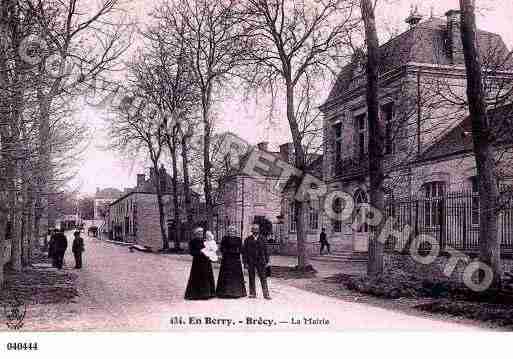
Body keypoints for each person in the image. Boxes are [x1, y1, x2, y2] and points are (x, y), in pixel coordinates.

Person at [184, 227, 216, 300]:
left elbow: (211, 249)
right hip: (197, 262)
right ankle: (196, 294)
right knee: (197, 277)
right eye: (198, 233)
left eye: (201, 233)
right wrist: (200, 252)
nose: (200, 234)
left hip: (206, 262)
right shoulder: (192, 242)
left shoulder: (206, 241)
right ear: (195, 234)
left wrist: (210, 253)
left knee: (206, 277)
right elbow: (191, 252)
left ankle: (207, 294)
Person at [216, 226, 247, 299]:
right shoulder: (225, 238)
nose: (232, 232)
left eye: (233, 230)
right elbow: (221, 248)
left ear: (235, 232)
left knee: (235, 276)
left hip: (235, 260)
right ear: (228, 231)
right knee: (226, 276)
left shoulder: (238, 239)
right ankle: (225, 293)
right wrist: (227, 251)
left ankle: (236, 293)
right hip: (226, 260)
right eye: (230, 230)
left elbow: (241, 249)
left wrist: (237, 251)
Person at [242, 224, 271, 300]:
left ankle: (266, 294)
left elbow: (266, 251)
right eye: (253, 229)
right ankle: (252, 293)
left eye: (256, 229)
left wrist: (267, 261)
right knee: (251, 277)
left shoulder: (263, 239)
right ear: (251, 230)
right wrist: (245, 262)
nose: (255, 230)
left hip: (261, 261)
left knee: (263, 277)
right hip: (250, 261)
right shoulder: (247, 240)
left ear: (259, 230)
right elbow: (244, 252)